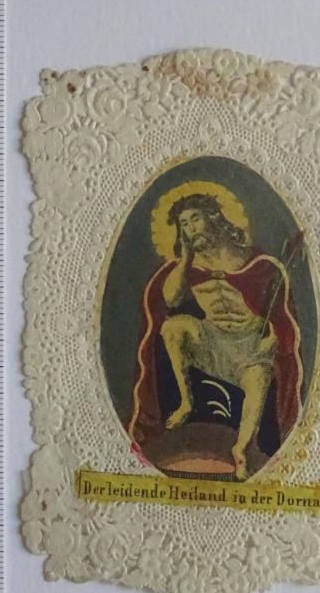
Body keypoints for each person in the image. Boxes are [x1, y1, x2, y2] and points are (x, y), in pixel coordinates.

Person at [128, 193, 302, 480]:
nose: (190, 228)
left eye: (195, 218)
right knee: (174, 327)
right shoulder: (189, 267)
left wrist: (271, 341)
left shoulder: (258, 264)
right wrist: (186, 258)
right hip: (211, 342)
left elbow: (283, 318)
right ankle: (186, 401)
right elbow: (170, 299)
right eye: (184, 224)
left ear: (215, 217)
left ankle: (241, 450)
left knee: (258, 380)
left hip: (250, 349)